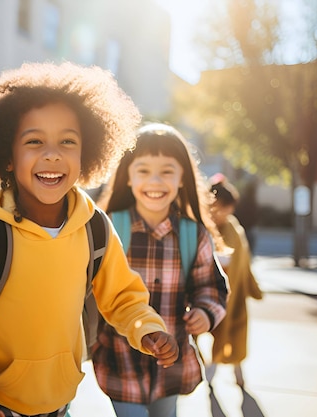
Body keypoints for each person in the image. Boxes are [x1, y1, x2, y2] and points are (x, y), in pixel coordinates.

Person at [0, 62, 180, 417]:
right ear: (8, 157)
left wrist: (148, 329)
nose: (52, 154)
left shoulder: (95, 228)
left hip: (62, 401)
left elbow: (123, 298)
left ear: (86, 152)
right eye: (34, 141)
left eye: (67, 141)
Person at [92, 123, 229, 417]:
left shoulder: (194, 235)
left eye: (167, 171)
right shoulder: (108, 228)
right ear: (127, 176)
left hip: (173, 367)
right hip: (120, 363)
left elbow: (212, 287)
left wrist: (205, 313)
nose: (155, 180)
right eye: (143, 170)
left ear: (182, 178)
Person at [206, 174, 263, 388]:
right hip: (211, 293)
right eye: (221, 208)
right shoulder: (202, 228)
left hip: (236, 292)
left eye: (229, 209)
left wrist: (253, 288)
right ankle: (210, 367)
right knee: (214, 331)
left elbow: (244, 261)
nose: (225, 213)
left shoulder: (234, 228)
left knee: (237, 331)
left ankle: (236, 370)